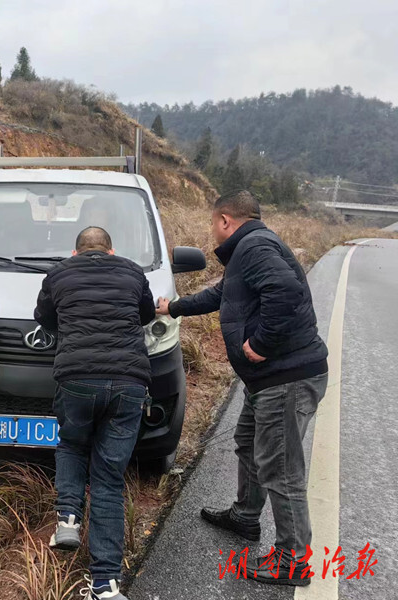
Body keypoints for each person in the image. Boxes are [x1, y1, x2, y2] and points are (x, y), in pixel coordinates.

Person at [156, 190, 328, 587]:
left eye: (212, 222)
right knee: (248, 439)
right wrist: (174, 307)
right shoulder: (249, 250)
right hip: (271, 378)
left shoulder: (253, 247)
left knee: (281, 468)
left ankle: (292, 560)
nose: (212, 230)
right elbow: (221, 295)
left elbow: (285, 291)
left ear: (225, 221)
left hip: (286, 376)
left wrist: (261, 344)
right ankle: (246, 516)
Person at [35, 227, 155, 600]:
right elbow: (146, 315)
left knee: (71, 445)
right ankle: (106, 584)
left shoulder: (58, 274)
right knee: (108, 480)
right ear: (111, 250)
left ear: (75, 253)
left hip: (77, 379)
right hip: (129, 384)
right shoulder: (134, 271)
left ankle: (68, 518)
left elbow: (45, 318)